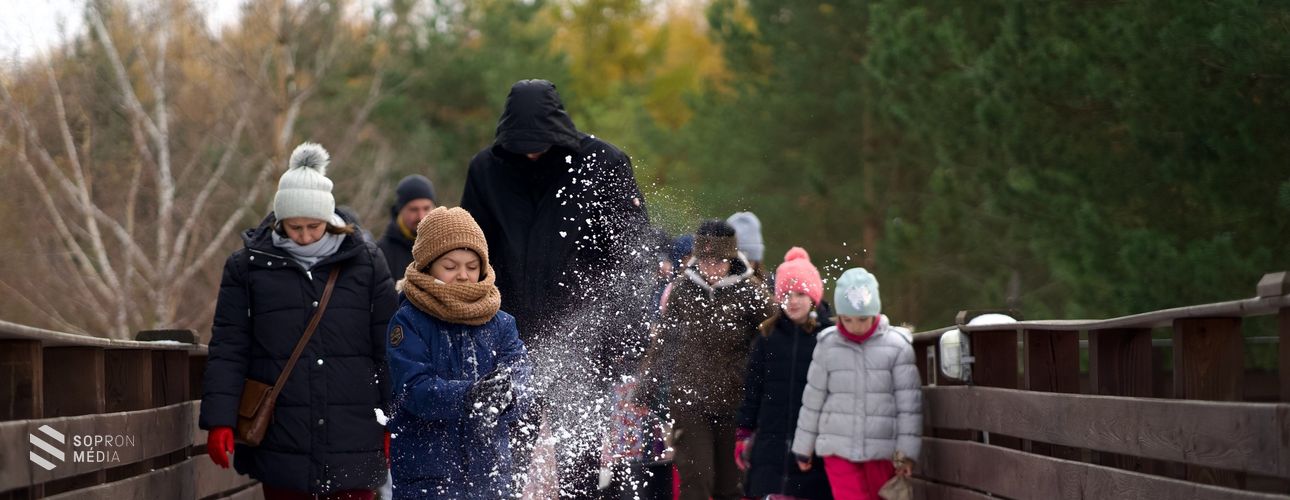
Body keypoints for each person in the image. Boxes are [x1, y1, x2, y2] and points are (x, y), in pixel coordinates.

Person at [459, 79, 654, 497]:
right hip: (507, 339)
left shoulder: (603, 164)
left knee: (579, 466)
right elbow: (471, 253)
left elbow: (633, 256)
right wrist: (469, 326)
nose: (532, 153)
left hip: (585, 340)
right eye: (522, 146)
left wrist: (628, 335)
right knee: (504, 462)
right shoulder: (486, 171)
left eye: (540, 145)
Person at [199, 143, 396, 500]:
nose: (304, 236)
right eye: (295, 227)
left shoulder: (366, 262)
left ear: (329, 220)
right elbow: (229, 346)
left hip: (354, 431)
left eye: (313, 226)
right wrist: (219, 419)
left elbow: (387, 347)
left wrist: (394, 419)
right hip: (282, 436)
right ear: (279, 221)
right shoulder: (247, 267)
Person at [385, 206, 533, 499]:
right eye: (451, 267)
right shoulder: (409, 321)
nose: (463, 276)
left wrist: (508, 394)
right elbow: (413, 389)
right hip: (428, 478)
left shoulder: (502, 323)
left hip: (490, 477)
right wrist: (469, 396)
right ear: (428, 266)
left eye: (472, 266)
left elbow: (522, 377)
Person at [640, 219, 774, 500]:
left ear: (730, 260)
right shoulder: (682, 289)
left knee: (729, 486)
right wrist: (645, 388)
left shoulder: (750, 292)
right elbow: (664, 341)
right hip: (689, 400)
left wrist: (747, 372)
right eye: (705, 261)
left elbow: (772, 338)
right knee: (697, 480)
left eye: (718, 262)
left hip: (733, 400)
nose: (711, 268)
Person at [791, 268, 922, 500]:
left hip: (882, 449)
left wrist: (906, 453)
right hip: (837, 447)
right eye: (847, 319)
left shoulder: (897, 346)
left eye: (862, 319)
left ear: (875, 312)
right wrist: (803, 446)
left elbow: (909, 406)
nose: (855, 326)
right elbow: (813, 399)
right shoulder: (827, 345)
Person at [736, 247, 834, 500]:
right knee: (771, 489)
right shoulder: (767, 338)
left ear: (813, 297)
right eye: (786, 294)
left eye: (800, 293)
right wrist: (744, 430)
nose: (793, 300)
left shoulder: (827, 337)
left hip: (813, 444)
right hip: (771, 439)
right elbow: (753, 388)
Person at [378, 174, 437, 281]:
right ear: (400, 210)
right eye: (414, 209)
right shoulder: (382, 253)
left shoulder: (446, 246)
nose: (421, 216)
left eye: (426, 208)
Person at [727, 212, 765, 278]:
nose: (744, 268)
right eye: (738, 262)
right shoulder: (714, 282)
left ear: (757, 262)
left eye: (749, 261)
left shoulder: (774, 283)